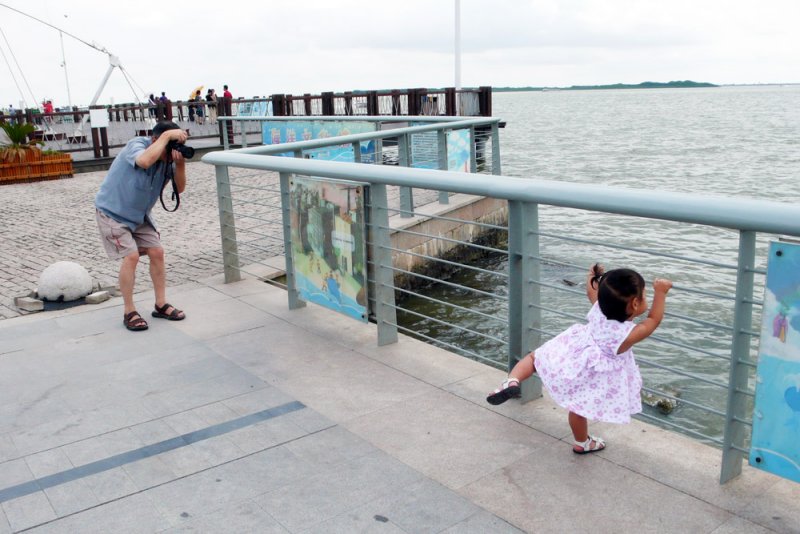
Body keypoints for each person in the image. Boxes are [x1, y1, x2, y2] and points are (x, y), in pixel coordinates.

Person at [487, 264, 672, 454]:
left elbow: (591, 292)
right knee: (578, 408)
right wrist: (661, 292)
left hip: (575, 349)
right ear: (634, 304)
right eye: (645, 295)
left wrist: (591, 275)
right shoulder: (627, 335)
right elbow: (653, 320)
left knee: (536, 358)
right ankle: (582, 443)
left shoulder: (599, 309)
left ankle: (511, 380)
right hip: (593, 371)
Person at [94, 121, 189, 331]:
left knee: (157, 251)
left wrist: (180, 164)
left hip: (139, 216)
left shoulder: (167, 159)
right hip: (113, 213)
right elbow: (144, 161)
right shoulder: (136, 145)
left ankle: (161, 304)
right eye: (167, 144)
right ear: (155, 140)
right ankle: (129, 311)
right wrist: (166, 138)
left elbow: (179, 188)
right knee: (132, 255)